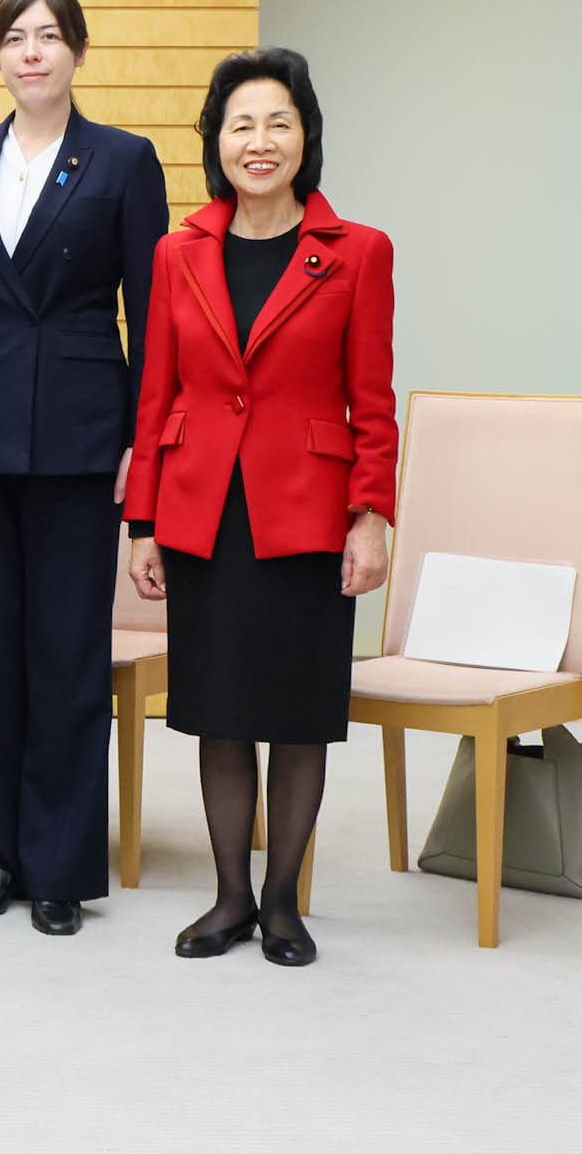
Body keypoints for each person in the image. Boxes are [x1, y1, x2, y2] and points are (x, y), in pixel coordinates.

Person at [0, 0, 167, 936]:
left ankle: (59, 867)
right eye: (14, 38)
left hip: (78, 432)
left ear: (78, 53)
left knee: (64, 656)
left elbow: (153, 312)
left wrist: (145, 437)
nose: (31, 54)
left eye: (49, 37)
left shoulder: (123, 161)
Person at [125, 48, 395, 967]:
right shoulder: (178, 252)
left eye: (278, 121)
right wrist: (143, 522)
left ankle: (283, 903)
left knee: (297, 712)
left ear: (306, 135)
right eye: (242, 124)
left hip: (308, 514)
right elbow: (155, 396)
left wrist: (372, 514)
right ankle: (229, 898)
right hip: (204, 513)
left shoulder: (357, 253)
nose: (260, 141)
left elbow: (374, 400)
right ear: (217, 142)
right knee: (220, 707)